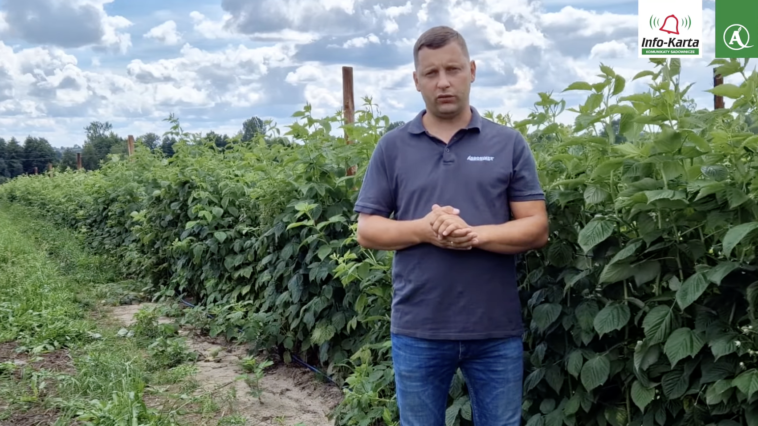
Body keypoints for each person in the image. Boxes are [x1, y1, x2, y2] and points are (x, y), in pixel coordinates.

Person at [352, 25, 549, 426]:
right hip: (418, 330)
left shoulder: (508, 143)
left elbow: (536, 227)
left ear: (471, 71)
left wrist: (473, 235)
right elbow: (367, 230)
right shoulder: (392, 147)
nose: (443, 82)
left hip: (495, 331)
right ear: (416, 80)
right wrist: (426, 230)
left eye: (453, 69)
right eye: (431, 73)